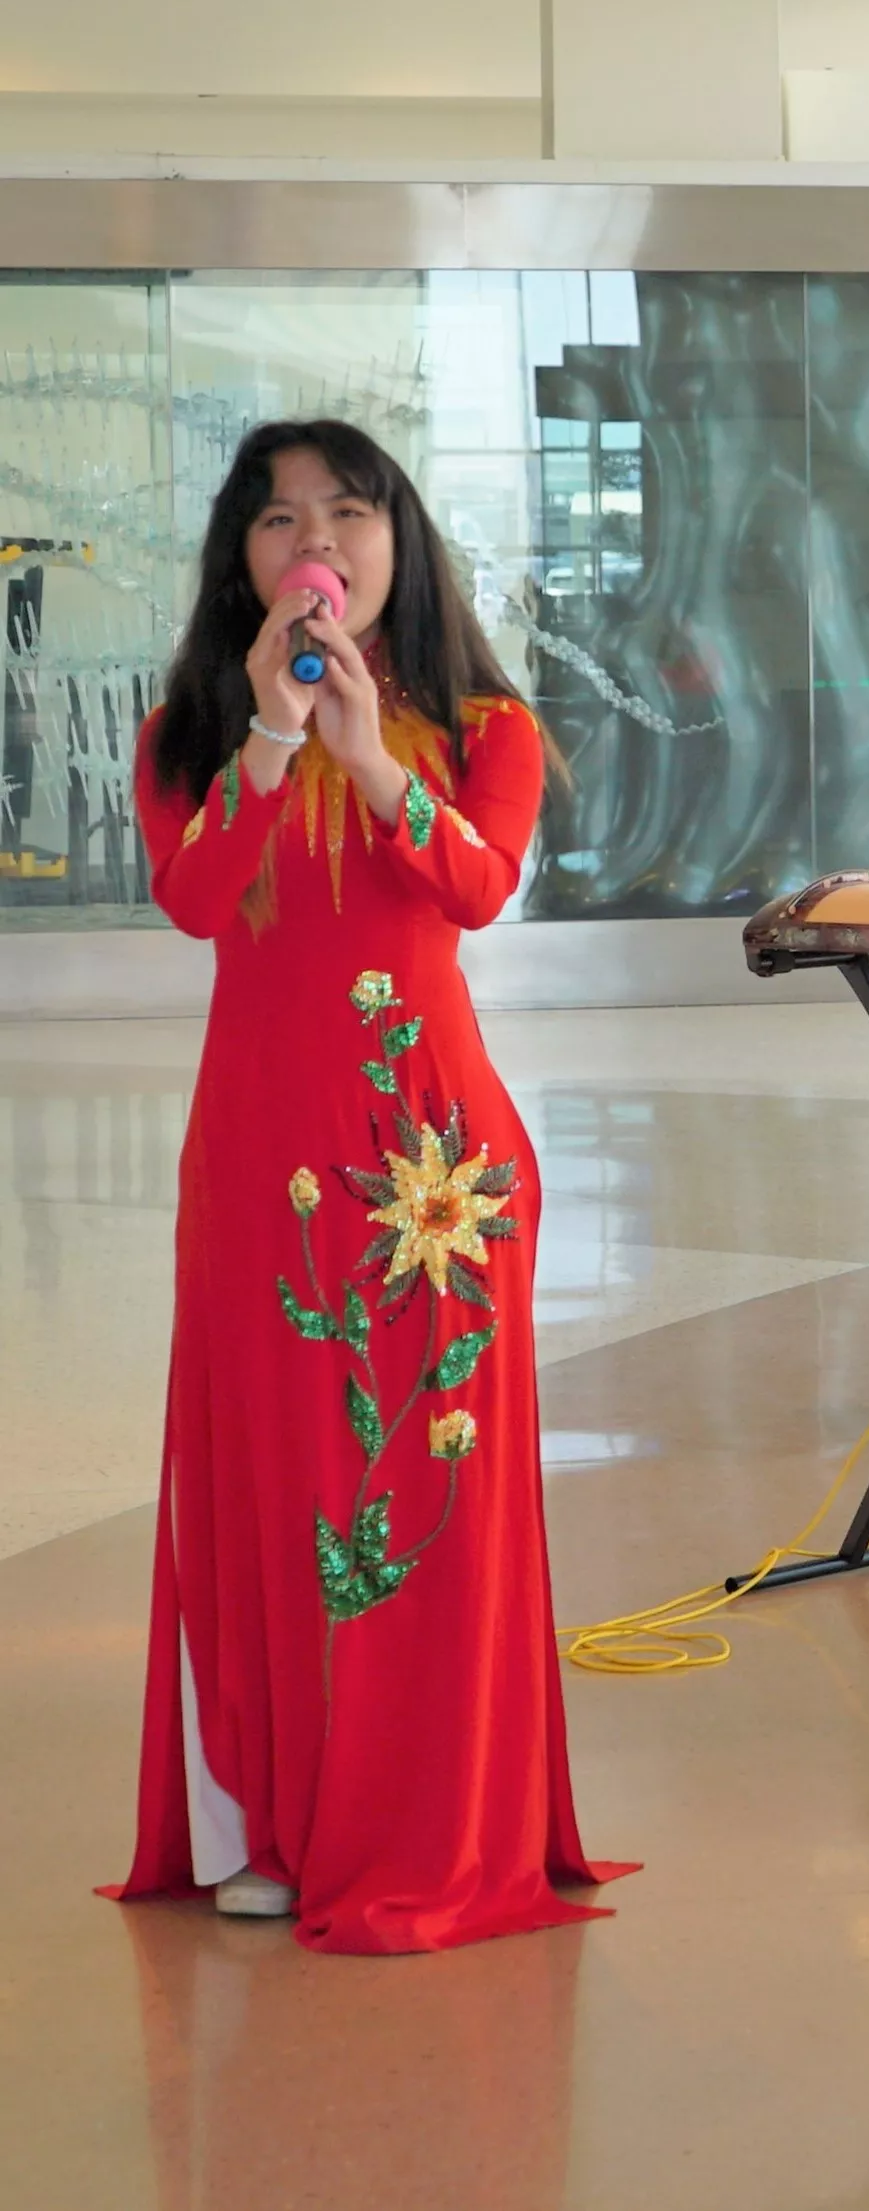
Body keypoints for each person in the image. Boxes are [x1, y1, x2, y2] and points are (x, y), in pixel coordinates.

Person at [111, 420, 629, 1951]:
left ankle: (425, 1814)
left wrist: (369, 764)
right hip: (259, 1166)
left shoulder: (483, 726)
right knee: (276, 1478)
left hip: (432, 1172)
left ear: (396, 542)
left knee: (426, 1484)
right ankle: (277, 1810)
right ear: (243, 563)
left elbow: (477, 885)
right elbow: (200, 900)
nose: (312, 541)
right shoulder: (190, 735)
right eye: (277, 521)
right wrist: (273, 736)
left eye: (346, 510)